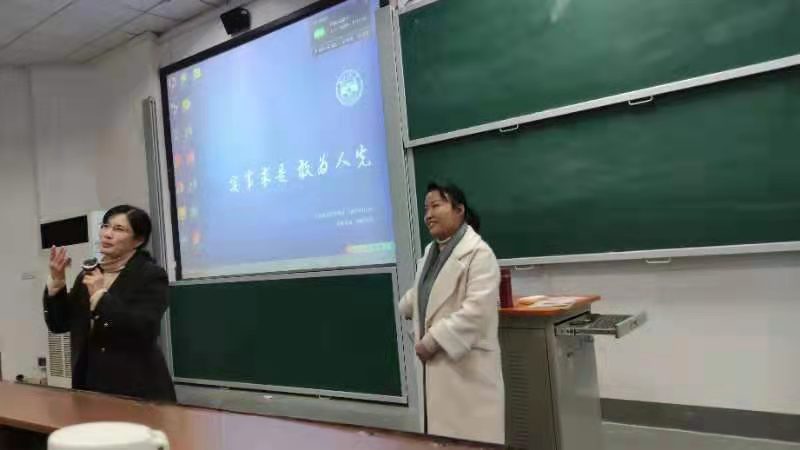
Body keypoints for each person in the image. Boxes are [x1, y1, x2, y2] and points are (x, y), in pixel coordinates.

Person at [398, 182, 504, 444]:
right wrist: (407, 304)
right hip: (436, 370)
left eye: (436, 205)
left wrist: (433, 340)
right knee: (440, 437)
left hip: (466, 370)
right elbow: (425, 290)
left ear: (459, 210)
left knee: (468, 439)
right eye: (426, 209)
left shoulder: (479, 254)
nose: (428, 215)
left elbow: (476, 313)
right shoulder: (431, 253)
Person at [44, 205, 176, 402]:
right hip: (88, 385)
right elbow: (59, 324)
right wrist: (57, 283)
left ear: (138, 240)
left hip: (134, 388)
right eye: (105, 226)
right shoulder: (89, 274)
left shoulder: (150, 275)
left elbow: (143, 329)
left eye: (119, 229)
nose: (107, 234)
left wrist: (100, 296)